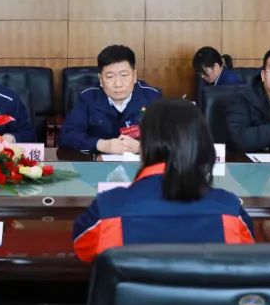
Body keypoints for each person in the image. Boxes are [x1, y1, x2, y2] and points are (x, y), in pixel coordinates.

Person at [72, 98, 254, 262]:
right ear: (203, 145)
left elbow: (82, 251)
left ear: (144, 146)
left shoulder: (107, 209)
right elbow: (245, 258)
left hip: (135, 291)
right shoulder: (231, 211)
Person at [59, 44, 162, 155]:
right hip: (98, 162)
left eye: (124, 75)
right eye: (110, 76)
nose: (118, 84)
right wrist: (101, 144)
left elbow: (169, 139)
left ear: (134, 75)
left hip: (139, 163)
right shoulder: (87, 98)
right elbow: (66, 136)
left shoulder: (152, 97)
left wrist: (142, 147)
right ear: (100, 79)